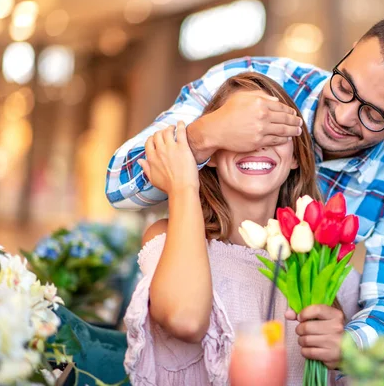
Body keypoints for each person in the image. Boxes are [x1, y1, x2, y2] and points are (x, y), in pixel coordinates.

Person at [109, 13, 384, 348]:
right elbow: (117, 185)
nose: (343, 114)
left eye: (373, 115)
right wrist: (204, 136)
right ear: (350, 52)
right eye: (345, 86)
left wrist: (347, 343)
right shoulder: (253, 81)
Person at [123, 73, 361, 385]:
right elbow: (186, 320)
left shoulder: (322, 260)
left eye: (273, 134)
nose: (256, 146)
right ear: (210, 155)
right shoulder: (166, 239)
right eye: (240, 135)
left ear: (294, 158)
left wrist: (347, 353)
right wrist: (183, 183)